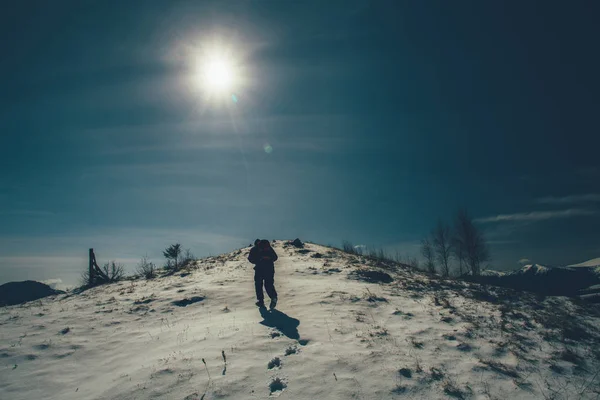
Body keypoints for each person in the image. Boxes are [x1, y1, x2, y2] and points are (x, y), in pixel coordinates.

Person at [248, 239, 278, 309]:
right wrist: (268, 258)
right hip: (269, 268)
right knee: (268, 284)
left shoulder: (254, 249)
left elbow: (250, 259)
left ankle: (260, 301)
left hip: (259, 269)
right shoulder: (269, 248)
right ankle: (273, 297)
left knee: (258, 285)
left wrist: (258, 260)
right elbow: (275, 257)